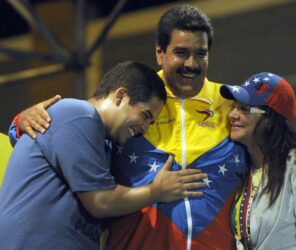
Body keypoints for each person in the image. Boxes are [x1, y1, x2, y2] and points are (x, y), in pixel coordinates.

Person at [8, 5, 296, 250]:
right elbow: (66, 131)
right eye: (181, 53)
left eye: (200, 54)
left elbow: (276, 138)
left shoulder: (231, 106)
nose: (191, 64)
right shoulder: (132, 104)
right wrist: (21, 122)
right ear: (160, 52)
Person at [0, 61, 208, 250]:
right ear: (120, 95)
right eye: (145, 115)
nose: (144, 128)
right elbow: (100, 201)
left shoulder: (102, 145)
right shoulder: (78, 114)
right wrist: (157, 191)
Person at [220, 72, 296, 249]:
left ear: (270, 119)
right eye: (234, 106)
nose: (232, 115)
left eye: (244, 109)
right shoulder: (243, 170)